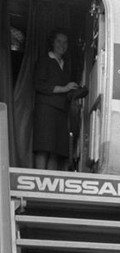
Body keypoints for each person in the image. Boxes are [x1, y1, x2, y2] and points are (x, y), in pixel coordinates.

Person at [33, 30, 78, 170]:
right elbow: (39, 85)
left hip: (60, 111)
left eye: (65, 42)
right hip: (46, 110)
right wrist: (64, 88)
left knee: (55, 151)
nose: (62, 45)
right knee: (44, 148)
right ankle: (39, 182)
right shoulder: (45, 60)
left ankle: (48, 185)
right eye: (59, 41)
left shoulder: (64, 64)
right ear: (52, 42)